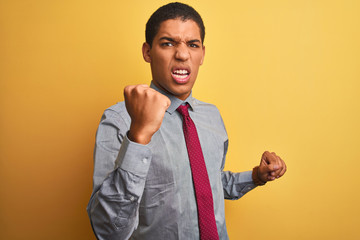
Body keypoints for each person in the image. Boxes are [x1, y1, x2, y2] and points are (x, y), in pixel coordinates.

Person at [87, 2, 286, 240]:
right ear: (148, 52)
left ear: (202, 54)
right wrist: (139, 136)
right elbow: (108, 231)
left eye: (193, 45)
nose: (182, 55)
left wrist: (256, 176)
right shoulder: (120, 120)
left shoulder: (211, 116)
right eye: (168, 43)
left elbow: (205, 184)